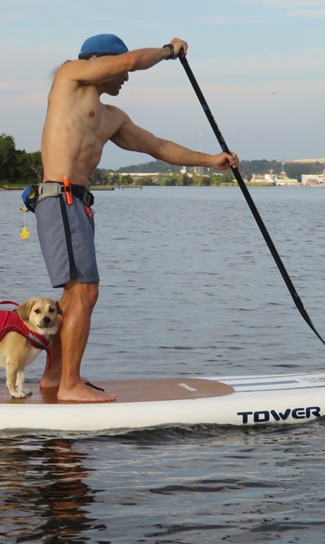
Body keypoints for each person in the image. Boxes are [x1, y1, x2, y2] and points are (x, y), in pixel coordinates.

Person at [34, 34, 240, 402]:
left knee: (74, 297)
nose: (126, 79)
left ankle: (54, 380)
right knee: (85, 292)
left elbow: (159, 148)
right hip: (60, 197)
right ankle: (70, 386)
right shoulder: (70, 76)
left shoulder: (112, 117)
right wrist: (167, 52)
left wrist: (211, 160)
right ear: (101, 61)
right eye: (119, 67)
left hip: (78, 204)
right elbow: (130, 63)